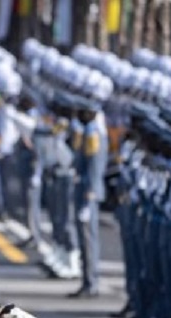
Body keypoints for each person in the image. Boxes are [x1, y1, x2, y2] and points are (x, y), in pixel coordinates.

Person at [67, 98, 108, 298]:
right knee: (84, 240)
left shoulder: (93, 134)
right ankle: (87, 281)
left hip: (87, 194)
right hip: (83, 190)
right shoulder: (88, 132)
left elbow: (94, 167)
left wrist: (90, 194)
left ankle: (91, 282)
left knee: (88, 239)